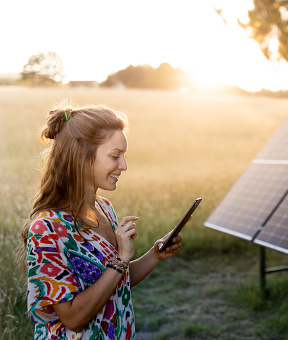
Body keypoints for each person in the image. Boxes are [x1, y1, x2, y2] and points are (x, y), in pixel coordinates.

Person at [21, 104, 184, 339]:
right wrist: (120, 258)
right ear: (81, 156)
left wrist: (155, 254)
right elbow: (73, 319)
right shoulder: (47, 228)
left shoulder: (104, 208)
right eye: (114, 156)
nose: (124, 166)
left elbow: (115, 281)